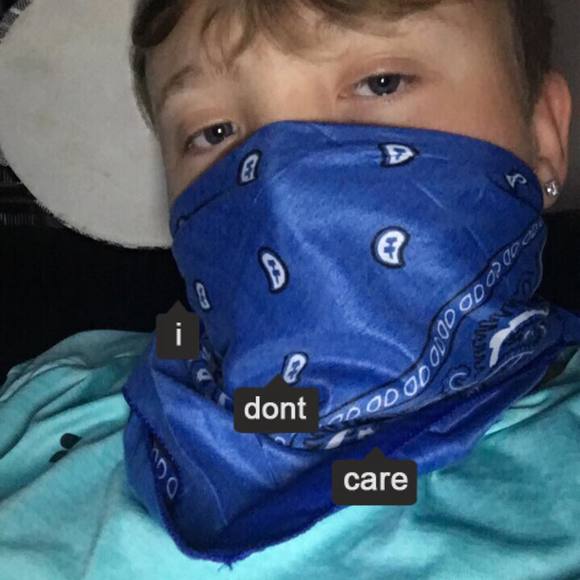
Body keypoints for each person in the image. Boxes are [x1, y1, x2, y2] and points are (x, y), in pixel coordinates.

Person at [2, 1, 580, 578]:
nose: (281, 183)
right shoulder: (53, 395)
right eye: (214, 132)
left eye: (382, 82)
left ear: (544, 133)